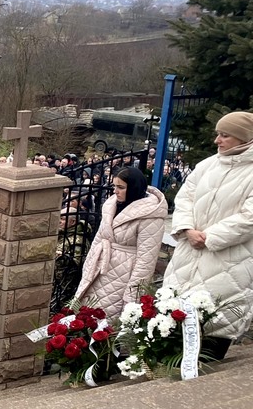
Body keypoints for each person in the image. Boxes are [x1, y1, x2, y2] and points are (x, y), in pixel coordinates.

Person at [164, 110, 253, 359]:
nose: (217, 140)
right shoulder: (206, 166)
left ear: (243, 138)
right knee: (172, 327)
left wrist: (209, 237)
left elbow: (249, 218)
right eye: (217, 134)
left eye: (225, 135)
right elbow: (184, 198)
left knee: (214, 332)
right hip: (188, 257)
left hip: (230, 262)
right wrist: (187, 229)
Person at [73, 167, 167, 319]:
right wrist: (88, 266)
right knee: (83, 318)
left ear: (134, 188)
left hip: (123, 275)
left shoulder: (151, 215)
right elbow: (99, 237)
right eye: (114, 186)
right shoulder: (111, 205)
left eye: (121, 187)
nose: (115, 191)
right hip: (99, 268)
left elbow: (146, 260)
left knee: (105, 323)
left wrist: (133, 297)